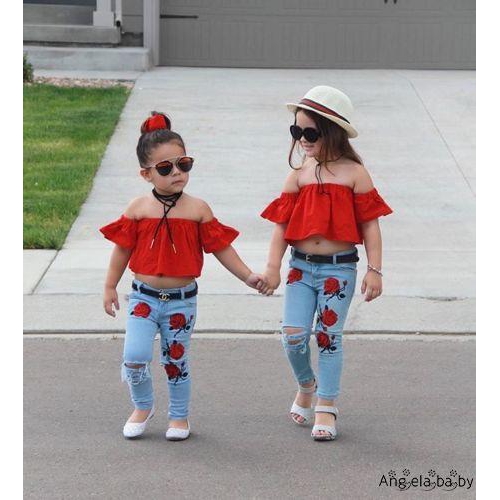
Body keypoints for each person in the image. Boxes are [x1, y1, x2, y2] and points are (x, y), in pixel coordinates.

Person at [100, 112, 265, 441]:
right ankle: (142, 406)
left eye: (183, 164)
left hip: (181, 301)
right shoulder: (138, 208)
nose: (177, 172)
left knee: (175, 360)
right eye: (165, 168)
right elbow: (121, 250)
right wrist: (109, 286)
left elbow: (221, 248)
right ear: (146, 174)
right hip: (144, 297)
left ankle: (179, 416)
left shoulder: (198, 209)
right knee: (134, 357)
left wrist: (247, 276)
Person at [258, 86, 393, 441]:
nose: (302, 139)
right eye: (296, 131)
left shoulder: (354, 174)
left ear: (332, 132)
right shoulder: (299, 175)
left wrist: (374, 270)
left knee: (328, 337)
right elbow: (280, 227)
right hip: (300, 269)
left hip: (339, 269)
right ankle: (306, 384)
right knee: (293, 336)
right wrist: (272, 267)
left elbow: (371, 226)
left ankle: (326, 405)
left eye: (310, 133)